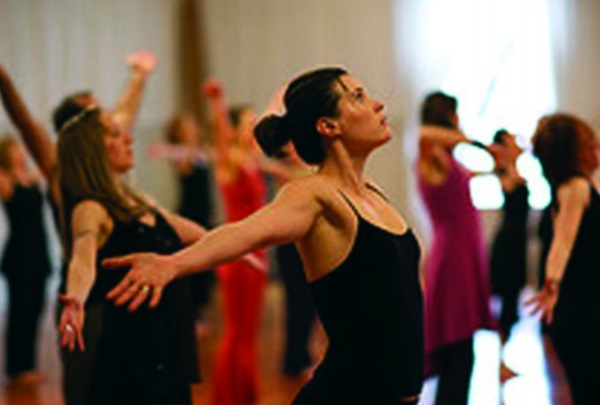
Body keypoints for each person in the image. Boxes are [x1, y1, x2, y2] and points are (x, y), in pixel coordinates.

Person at [104, 67, 425, 405]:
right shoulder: (314, 194)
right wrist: (173, 264)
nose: (376, 104)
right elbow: (245, 232)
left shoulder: (372, 191)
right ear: (328, 126)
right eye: (358, 96)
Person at [54, 101, 206, 404]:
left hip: (166, 345)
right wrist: (76, 297)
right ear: (92, 152)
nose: (129, 138)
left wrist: (245, 243)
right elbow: (82, 256)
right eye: (114, 134)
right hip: (134, 356)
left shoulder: (138, 201)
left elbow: (195, 233)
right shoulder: (91, 208)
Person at [416, 92, 495, 404]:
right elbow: (423, 134)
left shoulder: (445, 159)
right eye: (456, 114)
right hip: (452, 263)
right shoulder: (430, 155)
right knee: (458, 354)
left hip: (462, 258)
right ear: (448, 117)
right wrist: (474, 142)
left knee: (464, 353)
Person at [201, 79, 269, 405]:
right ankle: (229, 396)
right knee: (236, 329)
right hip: (238, 255)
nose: (253, 129)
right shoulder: (229, 161)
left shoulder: (253, 160)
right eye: (248, 124)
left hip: (257, 252)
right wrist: (218, 102)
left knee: (248, 331)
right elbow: (220, 133)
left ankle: (244, 392)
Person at [527, 113, 600, 404]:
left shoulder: (570, 188)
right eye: (587, 144)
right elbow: (563, 242)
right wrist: (552, 281)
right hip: (583, 316)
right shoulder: (576, 187)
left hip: (579, 313)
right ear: (571, 155)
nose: (595, 148)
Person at [0, 138, 52, 385]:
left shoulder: (32, 176)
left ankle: (29, 364)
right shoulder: (5, 179)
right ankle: (17, 367)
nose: (21, 152)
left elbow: (49, 161)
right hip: (19, 257)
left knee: (35, 311)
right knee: (20, 312)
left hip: (39, 253)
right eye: (15, 149)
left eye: (21, 147)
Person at [162, 113, 216, 324]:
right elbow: (184, 165)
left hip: (205, 213)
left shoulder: (202, 151)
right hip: (189, 213)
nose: (192, 129)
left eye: (192, 125)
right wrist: (192, 147)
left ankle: (203, 309)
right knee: (194, 265)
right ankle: (194, 314)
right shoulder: (180, 155)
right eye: (187, 127)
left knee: (209, 265)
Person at [489, 129, 529, 343]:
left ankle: (505, 348)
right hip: (509, 242)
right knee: (506, 298)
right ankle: (501, 351)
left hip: (519, 241)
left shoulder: (514, 171)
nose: (517, 141)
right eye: (511, 140)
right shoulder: (504, 172)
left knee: (513, 297)